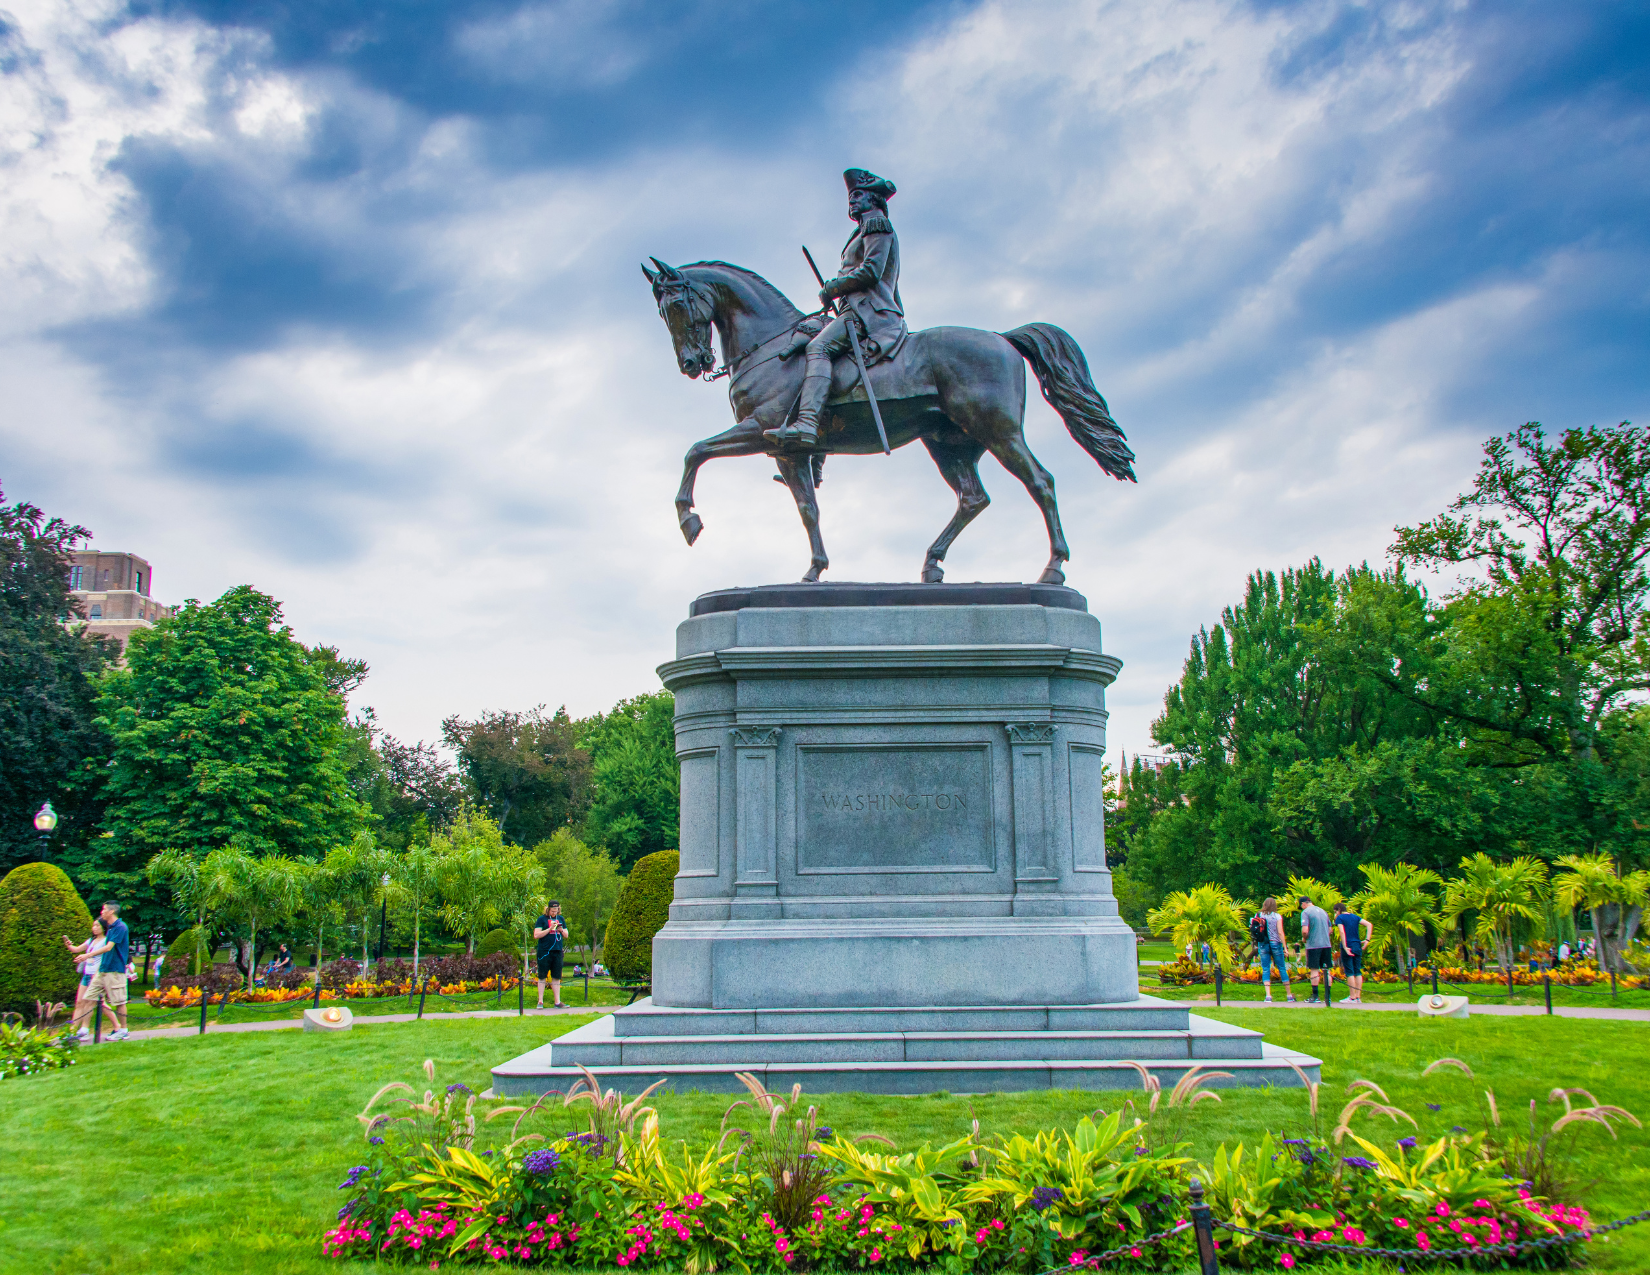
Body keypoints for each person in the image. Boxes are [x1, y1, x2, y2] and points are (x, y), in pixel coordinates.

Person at [765, 168, 907, 449]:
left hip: (871, 314)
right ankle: (816, 457)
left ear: (874, 199)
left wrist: (835, 286)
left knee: (818, 348)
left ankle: (806, 424)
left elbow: (871, 271)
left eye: (858, 195)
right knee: (806, 332)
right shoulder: (861, 230)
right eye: (850, 197)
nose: (852, 201)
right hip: (853, 310)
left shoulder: (876, 224)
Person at [66, 901, 131, 1041]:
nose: (102, 912)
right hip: (103, 970)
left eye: (104, 909)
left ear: (111, 911)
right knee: (88, 998)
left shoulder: (120, 927)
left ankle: (123, 1030)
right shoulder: (112, 928)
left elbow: (108, 947)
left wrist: (87, 955)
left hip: (115, 970)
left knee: (119, 1002)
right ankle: (82, 1030)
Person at [1332, 901, 1373, 1004]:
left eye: (1334, 912)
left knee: (1349, 971)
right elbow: (1369, 924)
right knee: (1357, 971)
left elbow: (1342, 931)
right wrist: (1367, 940)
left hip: (1348, 945)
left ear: (1338, 910)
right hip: (1357, 945)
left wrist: (1345, 946)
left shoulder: (1340, 918)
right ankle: (1358, 997)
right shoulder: (1355, 917)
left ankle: (1352, 997)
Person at [64, 920, 105, 1020]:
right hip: (87, 974)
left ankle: (118, 1026)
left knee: (93, 1004)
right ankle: (72, 1030)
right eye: (93, 925)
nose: (94, 928)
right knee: (79, 1002)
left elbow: (105, 959)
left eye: (97, 925)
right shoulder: (91, 940)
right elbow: (76, 949)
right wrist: (68, 945)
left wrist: (97, 972)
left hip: (96, 975)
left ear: (104, 927)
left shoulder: (106, 942)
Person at [1255, 898, 1295, 1003]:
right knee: (1282, 968)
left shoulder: (1259, 915)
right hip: (1275, 942)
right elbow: (1280, 932)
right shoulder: (1277, 916)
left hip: (1263, 943)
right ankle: (1289, 995)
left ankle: (1268, 996)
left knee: (1265, 969)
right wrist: (1285, 947)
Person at [1299, 894, 1334, 1004]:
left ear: (1303, 904)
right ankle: (1327, 996)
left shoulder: (1306, 912)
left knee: (1314, 970)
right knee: (1326, 970)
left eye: (1301, 906)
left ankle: (1315, 996)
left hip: (1314, 945)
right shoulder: (1323, 911)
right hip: (1326, 945)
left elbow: (1305, 930)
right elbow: (1330, 930)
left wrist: (1304, 939)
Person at [533, 901, 568, 1009]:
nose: (554, 913)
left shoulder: (561, 919)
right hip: (544, 951)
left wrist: (561, 930)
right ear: (548, 909)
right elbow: (536, 935)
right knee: (542, 976)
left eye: (556, 910)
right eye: (552, 911)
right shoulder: (541, 919)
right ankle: (540, 1001)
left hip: (557, 950)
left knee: (556, 976)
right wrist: (549, 929)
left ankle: (557, 1002)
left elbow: (566, 935)